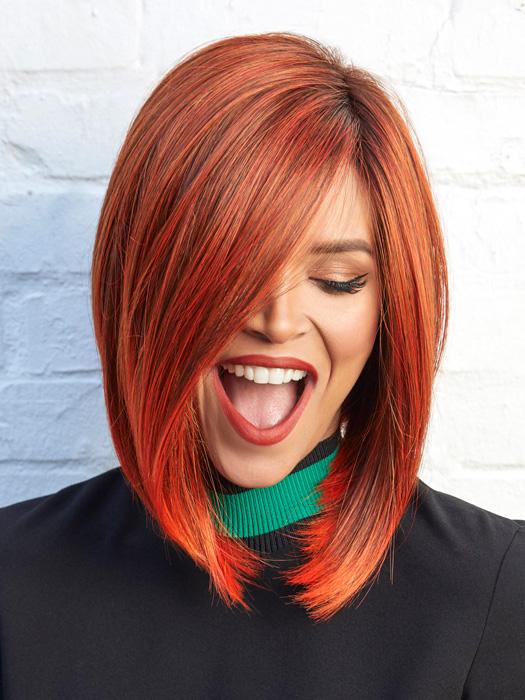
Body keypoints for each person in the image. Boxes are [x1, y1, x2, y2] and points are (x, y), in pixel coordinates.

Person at [0, 31, 523, 700]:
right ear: (142, 277)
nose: (277, 321)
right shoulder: (14, 581)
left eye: (336, 280)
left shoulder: (496, 593)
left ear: (390, 308)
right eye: (234, 270)